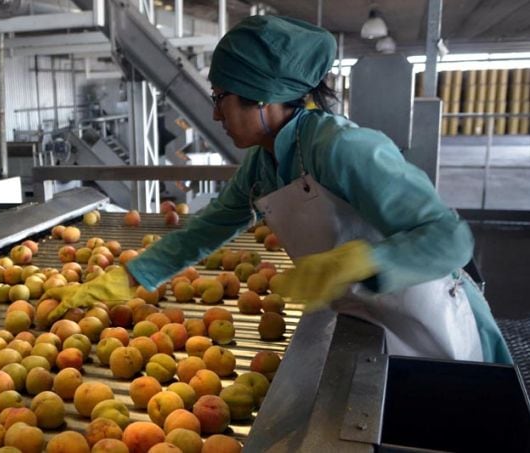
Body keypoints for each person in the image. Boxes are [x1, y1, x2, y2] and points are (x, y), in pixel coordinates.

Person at [45, 15, 510, 364]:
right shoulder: (262, 164)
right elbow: (203, 231)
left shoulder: (344, 148)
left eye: (220, 98)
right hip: (366, 325)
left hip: (434, 322)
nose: (214, 116)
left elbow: (450, 238)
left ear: (262, 95)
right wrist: (128, 277)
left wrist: (364, 260)